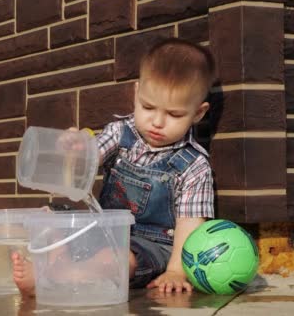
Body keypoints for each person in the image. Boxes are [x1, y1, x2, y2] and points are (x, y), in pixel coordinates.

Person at [12, 37, 216, 296]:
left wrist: (176, 270)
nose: (157, 121)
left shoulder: (194, 165)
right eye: (148, 106)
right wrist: (75, 150)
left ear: (198, 113)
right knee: (50, 216)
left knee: (115, 259)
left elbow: (190, 223)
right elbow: (88, 159)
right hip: (103, 229)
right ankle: (55, 265)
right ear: (136, 93)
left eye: (174, 114)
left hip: (149, 246)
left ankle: (56, 279)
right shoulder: (120, 133)